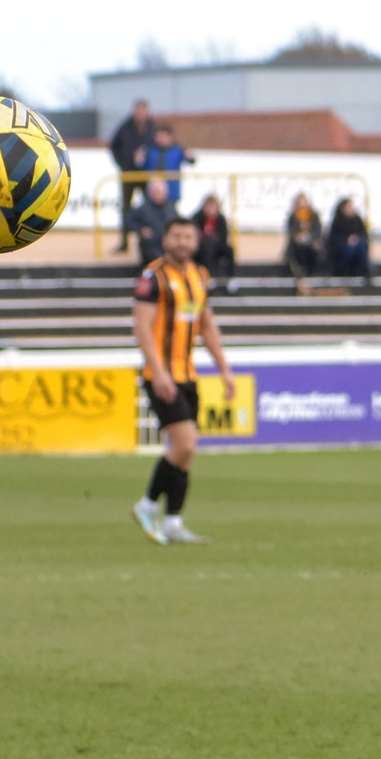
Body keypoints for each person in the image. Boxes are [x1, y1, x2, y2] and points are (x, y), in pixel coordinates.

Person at [130, 217, 235, 546]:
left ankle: (173, 521)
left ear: (196, 241)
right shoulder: (153, 277)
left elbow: (206, 326)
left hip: (188, 375)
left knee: (186, 453)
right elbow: (142, 327)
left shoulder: (200, 276)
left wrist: (224, 368)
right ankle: (147, 505)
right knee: (185, 443)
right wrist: (158, 372)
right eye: (176, 236)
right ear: (166, 239)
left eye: (188, 237)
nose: (182, 242)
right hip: (161, 376)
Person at [109, 99, 155, 254]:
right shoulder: (125, 126)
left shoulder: (152, 127)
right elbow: (114, 146)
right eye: (138, 110)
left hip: (146, 174)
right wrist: (123, 163)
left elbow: (158, 146)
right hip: (128, 174)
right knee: (126, 209)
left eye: (143, 110)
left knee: (150, 207)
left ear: (147, 111)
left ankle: (152, 239)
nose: (140, 113)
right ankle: (124, 243)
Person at [193, 193, 237, 292]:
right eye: (208, 206)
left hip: (217, 246)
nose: (211, 210)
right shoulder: (197, 217)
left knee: (229, 250)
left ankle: (231, 278)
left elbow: (223, 237)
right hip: (201, 249)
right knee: (207, 248)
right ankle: (209, 277)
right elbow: (195, 235)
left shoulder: (221, 219)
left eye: (213, 207)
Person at [142, 125, 195, 206]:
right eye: (158, 136)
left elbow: (191, 161)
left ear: (170, 137)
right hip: (152, 192)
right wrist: (139, 161)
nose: (160, 139)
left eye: (163, 136)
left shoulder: (178, 149)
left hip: (172, 193)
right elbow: (142, 166)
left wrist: (190, 157)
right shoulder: (150, 150)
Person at [130, 179, 177, 266]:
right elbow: (130, 222)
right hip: (152, 242)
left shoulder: (171, 207)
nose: (158, 194)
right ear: (150, 193)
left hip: (168, 240)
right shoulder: (142, 208)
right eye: (156, 192)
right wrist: (141, 229)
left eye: (161, 192)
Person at [327, 196, 371, 282]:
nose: (351, 209)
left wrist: (356, 239)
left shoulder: (358, 219)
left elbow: (364, 234)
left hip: (358, 246)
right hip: (341, 248)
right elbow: (333, 239)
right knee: (348, 250)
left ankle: (365, 273)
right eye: (348, 206)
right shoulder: (337, 221)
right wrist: (346, 240)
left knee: (360, 247)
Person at [284, 192, 322, 290]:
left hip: (311, 245)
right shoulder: (293, 216)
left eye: (304, 202)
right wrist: (298, 236)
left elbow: (318, 231)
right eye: (300, 202)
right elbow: (291, 232)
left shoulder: (314, 216)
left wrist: (309, 237)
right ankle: (299, 278)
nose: (302, 205)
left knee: (316, 249)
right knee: (292, 254)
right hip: (297, 246)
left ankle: (312, 276)